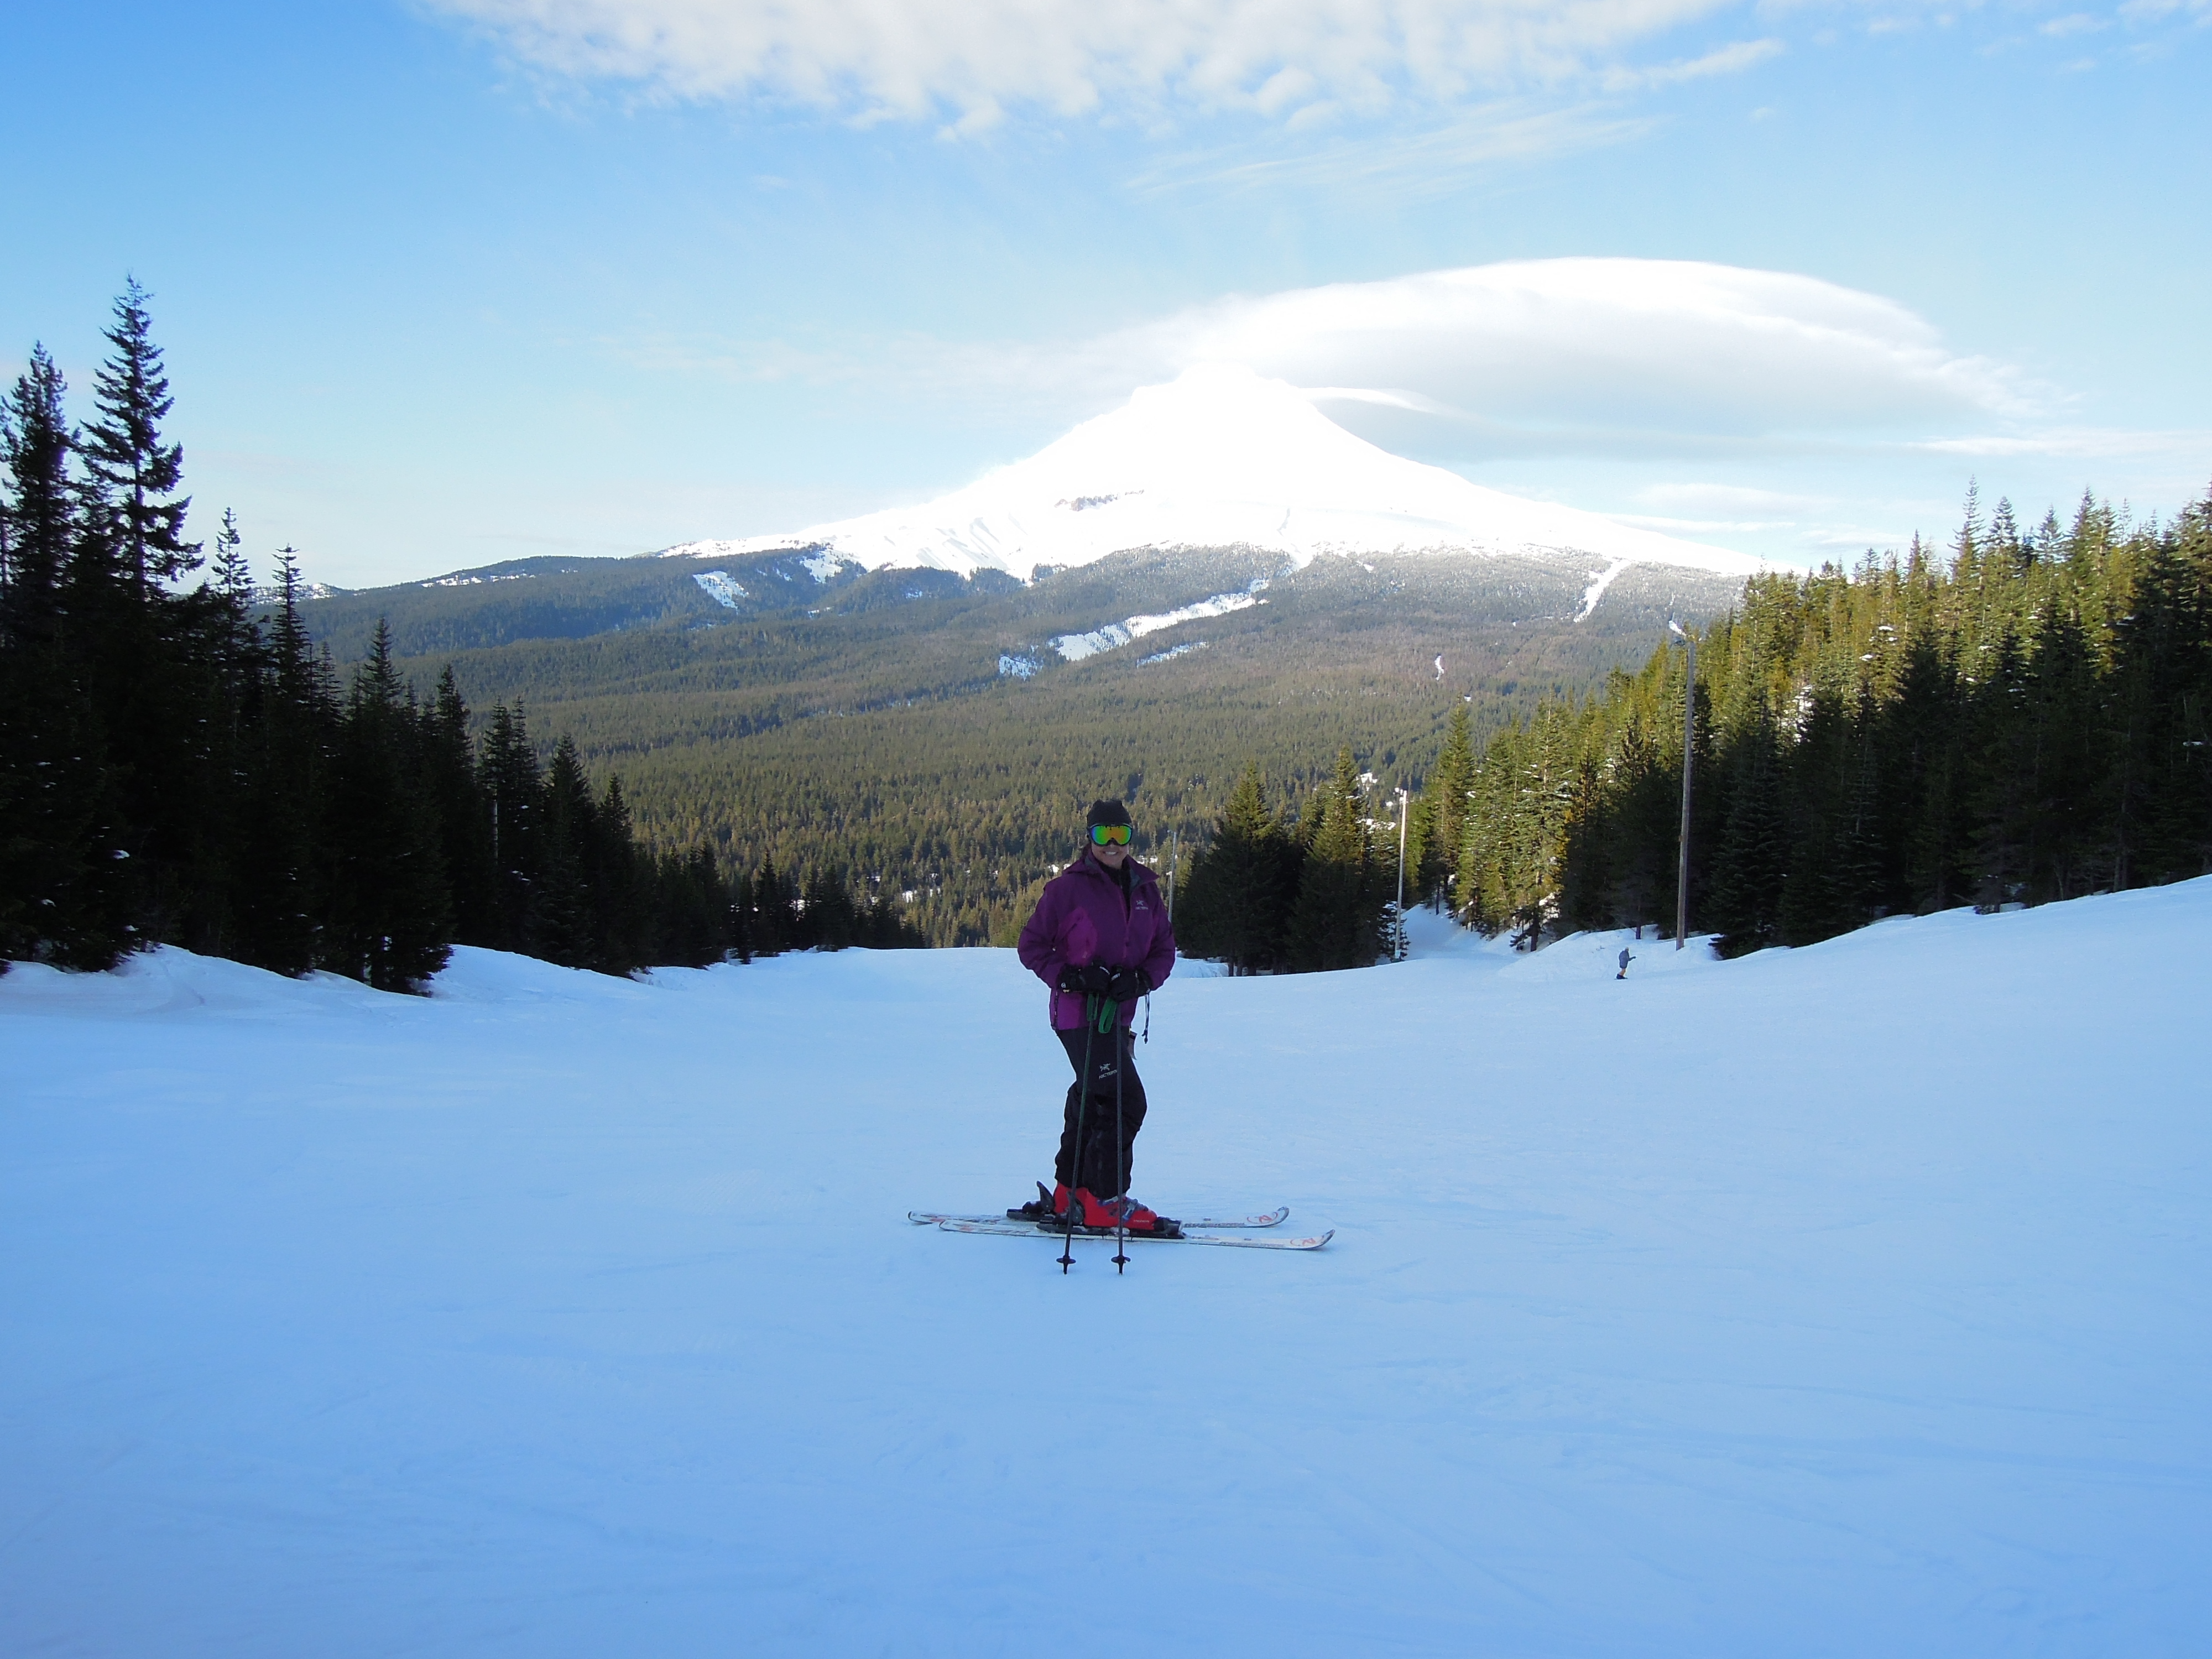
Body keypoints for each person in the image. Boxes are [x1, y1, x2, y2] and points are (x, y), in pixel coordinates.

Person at [1013, 799, 1178, 1234]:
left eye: (1120, 834)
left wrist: (1141, 980)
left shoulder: (1145, 889)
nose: (1111, 844)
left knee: (1092, 1095)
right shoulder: (1068, 889)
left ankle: (1072, 1193)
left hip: (1118, 1016)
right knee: (1124, 1101)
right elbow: (1031, 946)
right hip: (1078, 1014)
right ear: (1088, 839)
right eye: (1102, 835)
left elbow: (1164, 950)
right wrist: (1069, 976)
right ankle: (1106, 1199)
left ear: (1130, 838)